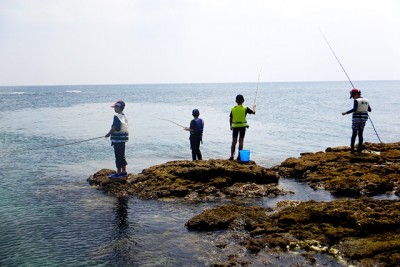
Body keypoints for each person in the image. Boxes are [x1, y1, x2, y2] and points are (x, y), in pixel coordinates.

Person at [342, 88, 372, 153]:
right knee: (360, 133)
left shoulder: (356, 100)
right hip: (364, 119)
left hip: (356, 119)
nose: (353, 98)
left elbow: (354, 109)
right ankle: (359, 149)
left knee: (354, 133)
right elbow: (369, 110)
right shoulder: (366, 100)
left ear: (356, 94)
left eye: (353, 96)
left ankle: (352, 149)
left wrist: (346, 113)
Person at [105, 100, 129, 178]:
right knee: (122, 156)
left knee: (118, 156)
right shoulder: (124, 116)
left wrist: (108, 134)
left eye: (115, 107)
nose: (114, 109)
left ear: (119, 107)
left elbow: (115, 128)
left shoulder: (116, 117)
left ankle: (118, 173)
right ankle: (124, 172)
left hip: (118, 140)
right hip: (123, 140)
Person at [229, 94, 256, 160]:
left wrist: (230, 126)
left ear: (236, 101)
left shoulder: (233, 109)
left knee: (234, 142)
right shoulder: (245, 108)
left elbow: (230, 118)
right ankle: (239, 156)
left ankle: (232, 156)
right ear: (243, 101)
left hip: (235, 127)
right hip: (242, 127)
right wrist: (254, 107)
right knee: (241, 141)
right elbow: (253, 112)